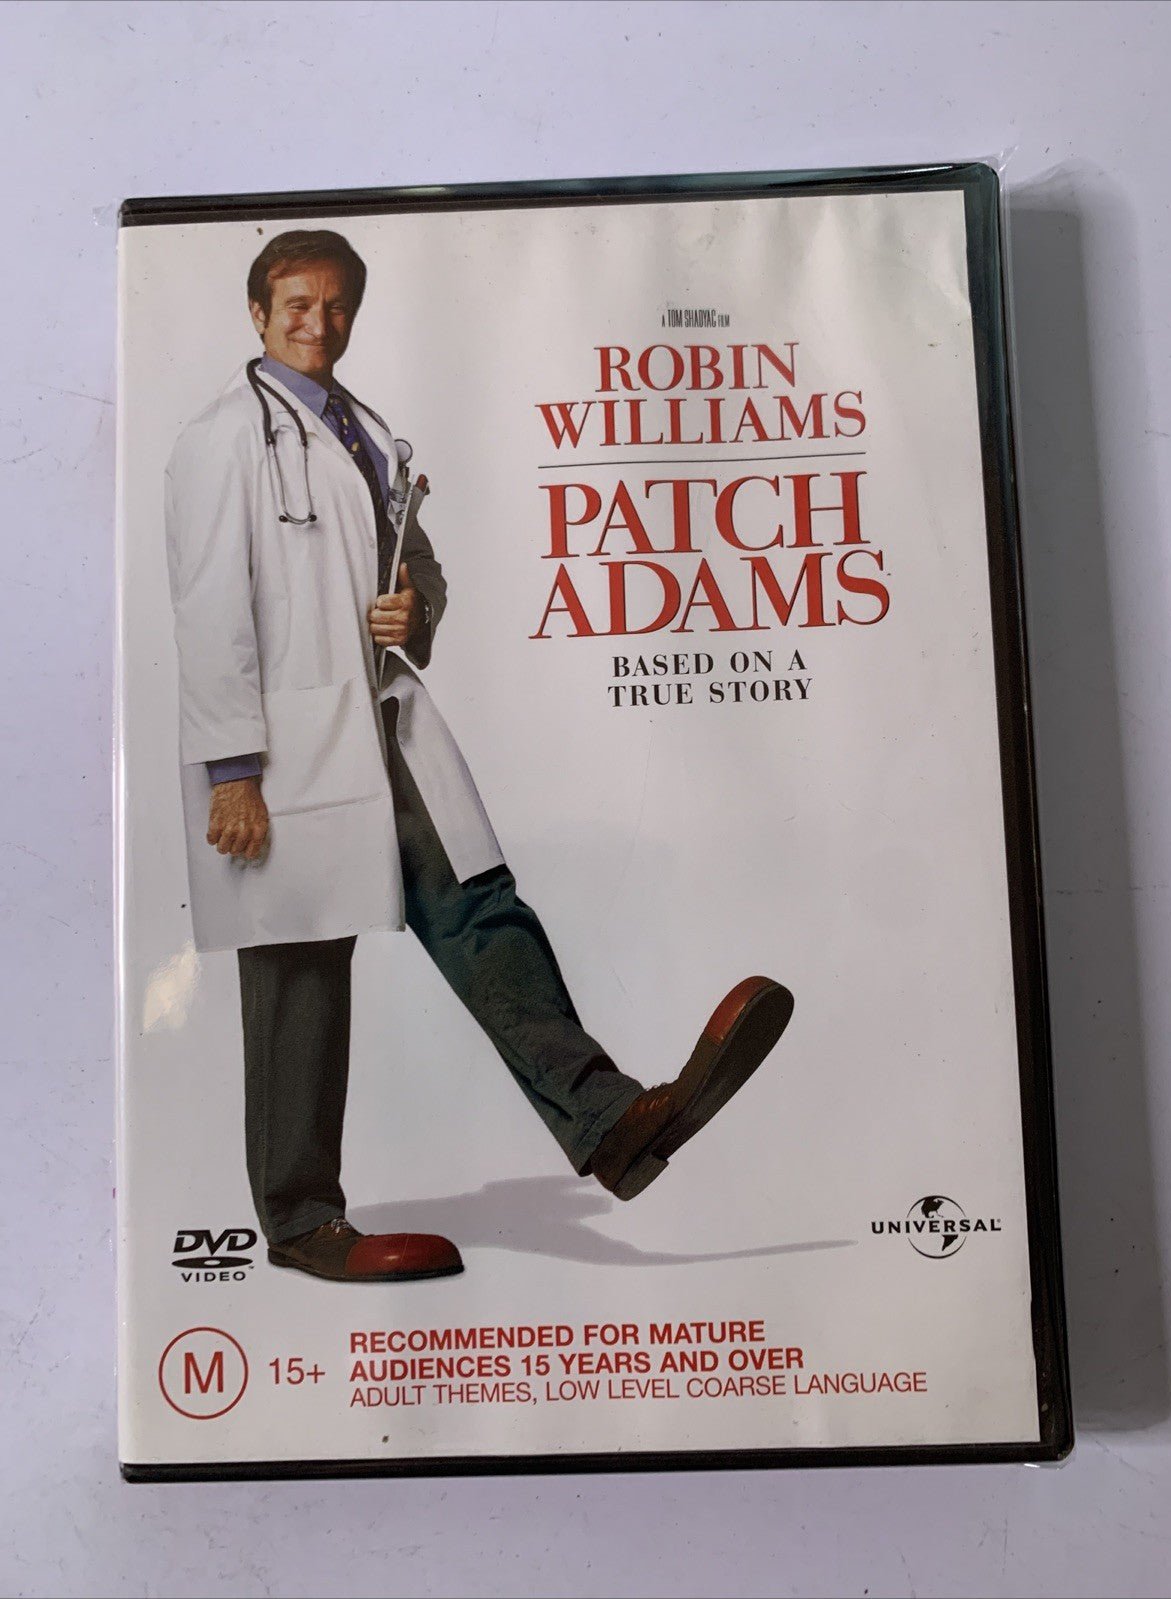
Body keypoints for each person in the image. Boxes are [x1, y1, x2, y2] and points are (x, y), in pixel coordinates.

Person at [164, 229, 794, 1285]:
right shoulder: (221, 437)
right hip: (280, 742)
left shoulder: (365, 430)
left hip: (379, 716)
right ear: (257, 314)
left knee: (478, 906)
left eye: (335, 305)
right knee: (298, 973)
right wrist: (232, 771)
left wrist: (415, 609)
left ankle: (609, 1123)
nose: (318, 323)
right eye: (296, 305)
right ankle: (301, 1219)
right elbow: (206, 607)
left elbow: (414, 567)